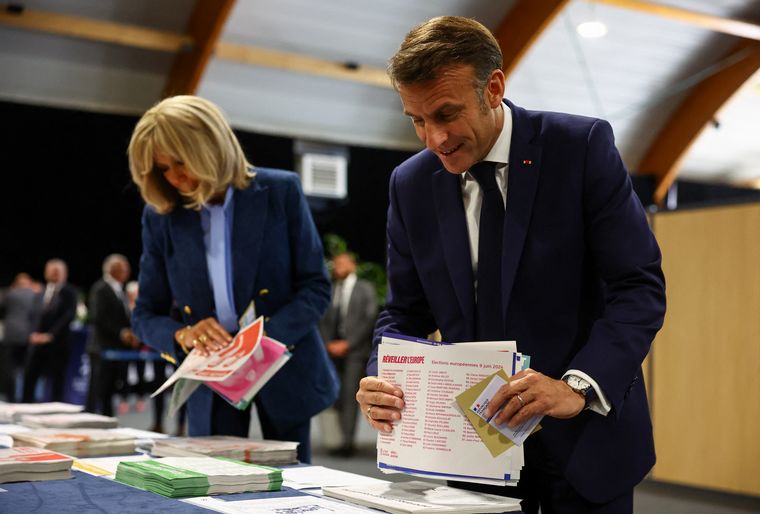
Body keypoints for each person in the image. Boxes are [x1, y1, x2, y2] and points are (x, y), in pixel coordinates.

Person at [355, 16, 666, 513]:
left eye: (446, 113)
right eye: (416, 119)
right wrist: (381, 376)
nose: (434, 139)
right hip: (473, 452)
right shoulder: (410, 184)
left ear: (493, 87)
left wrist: (576, 388)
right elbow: (405, 312)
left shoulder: (579, 149)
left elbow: (638, 287)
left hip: (583, 442)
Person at [128, 95, 339, 463]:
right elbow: (145, 314)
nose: (174, 177)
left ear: (212, 145)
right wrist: (184, 334)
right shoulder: (160, 217)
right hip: (211, 381)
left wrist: (260, 342)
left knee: (295, 488)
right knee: (215, 488)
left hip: (284, 366)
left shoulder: (281, 191)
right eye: (163, 168)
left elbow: (316, 286)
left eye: (181, 162)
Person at [319, 251, 377, 456]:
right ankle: (335, 439)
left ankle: (347, 443)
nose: (338, 267)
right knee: (335, 396)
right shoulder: (331, 289)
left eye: (342, 263)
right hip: (332, 352)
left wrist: (349, 343)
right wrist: (328, 344)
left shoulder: (365, 288)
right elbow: (323, 319)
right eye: (335, 264)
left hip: (355, 351)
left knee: (351, 395)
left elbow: (369, 318)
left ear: (352, 265)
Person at [85, 254, 138, 416]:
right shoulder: (100, 288)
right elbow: (98, 317)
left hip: (113, 349)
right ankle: (92, 423)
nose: (127, 271)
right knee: (98, 390)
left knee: (108, 391)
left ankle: (107, 423)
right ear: (113, 270)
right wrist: (122, 333)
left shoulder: (119, 290)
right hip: (101, 348)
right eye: (124, 268)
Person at [23, 259, 79, 402]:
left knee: (57, 382)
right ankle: (26, 408)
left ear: (64, 274)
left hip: (58, 344)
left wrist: (50, 335)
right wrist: (32, 334)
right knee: (29, 379)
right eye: (51, 271)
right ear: (46, 273)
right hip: (36, 344)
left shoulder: (70, 292)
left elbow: (68, 316)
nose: (54, 274)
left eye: (57, 271)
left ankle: (56, 414)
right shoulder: (40, 292)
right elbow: (32, 315)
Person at [0, 273, 41, 402]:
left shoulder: (9, 293)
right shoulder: (36, 294)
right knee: (27, 369)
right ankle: (26, 398)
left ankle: (11, 398)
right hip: (29, 335)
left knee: (9, 369)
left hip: (11, 335)